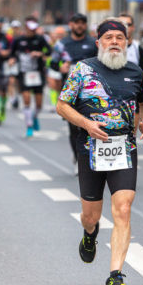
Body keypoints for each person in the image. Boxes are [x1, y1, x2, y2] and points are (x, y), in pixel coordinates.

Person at [56, 17, 143, 285]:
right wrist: (87, 123)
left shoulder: (135, 72)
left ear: (127, 42)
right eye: (108, 37)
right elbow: (62, 105)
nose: (114, 42)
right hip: (90, 149)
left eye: (119, 38)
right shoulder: (83, 70)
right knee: (91, 215)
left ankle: (116, 275)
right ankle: (90, 235)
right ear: (98, 43)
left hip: (124, 148)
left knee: (123, 209)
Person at [50, 13, 97, 172]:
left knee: (90, 125)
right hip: (70, 93)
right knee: (73, 128)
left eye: (82, 23)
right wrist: (60, 68)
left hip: (91, 91)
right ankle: (78, 158)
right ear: (70, 25)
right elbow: (53, 63)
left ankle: (90, 156)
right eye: (76, 23)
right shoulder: (62, 44)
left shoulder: (93, 44)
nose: (79, 26)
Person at [9, 16, 51, 137]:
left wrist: (40, 53)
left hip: (37, 73)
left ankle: (34, 116)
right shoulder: (18, 40)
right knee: (26, 100)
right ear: (26, 27)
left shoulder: (40, 39)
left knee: (39, 104)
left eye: (34, 29)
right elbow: (12, 54)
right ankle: (29, 125)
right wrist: (12, 60)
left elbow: (49, 51)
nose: (31, 31)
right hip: (24, 73)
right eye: (29, 29)